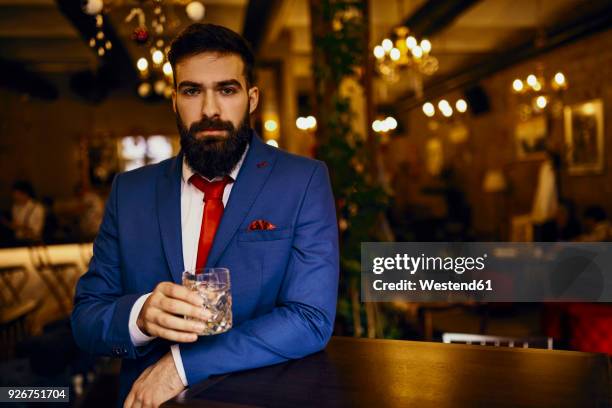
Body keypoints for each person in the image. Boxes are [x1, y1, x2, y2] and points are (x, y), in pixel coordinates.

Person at [71, 23, 339, 408]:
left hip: (259, 398)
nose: (210, 110)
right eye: (192, 91)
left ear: (252, 98)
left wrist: (180, 366)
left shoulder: (303, 181)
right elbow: (86, 319)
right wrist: (140, 317)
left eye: (226, 90)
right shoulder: (129, 193)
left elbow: (310, 318)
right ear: (175, 101)